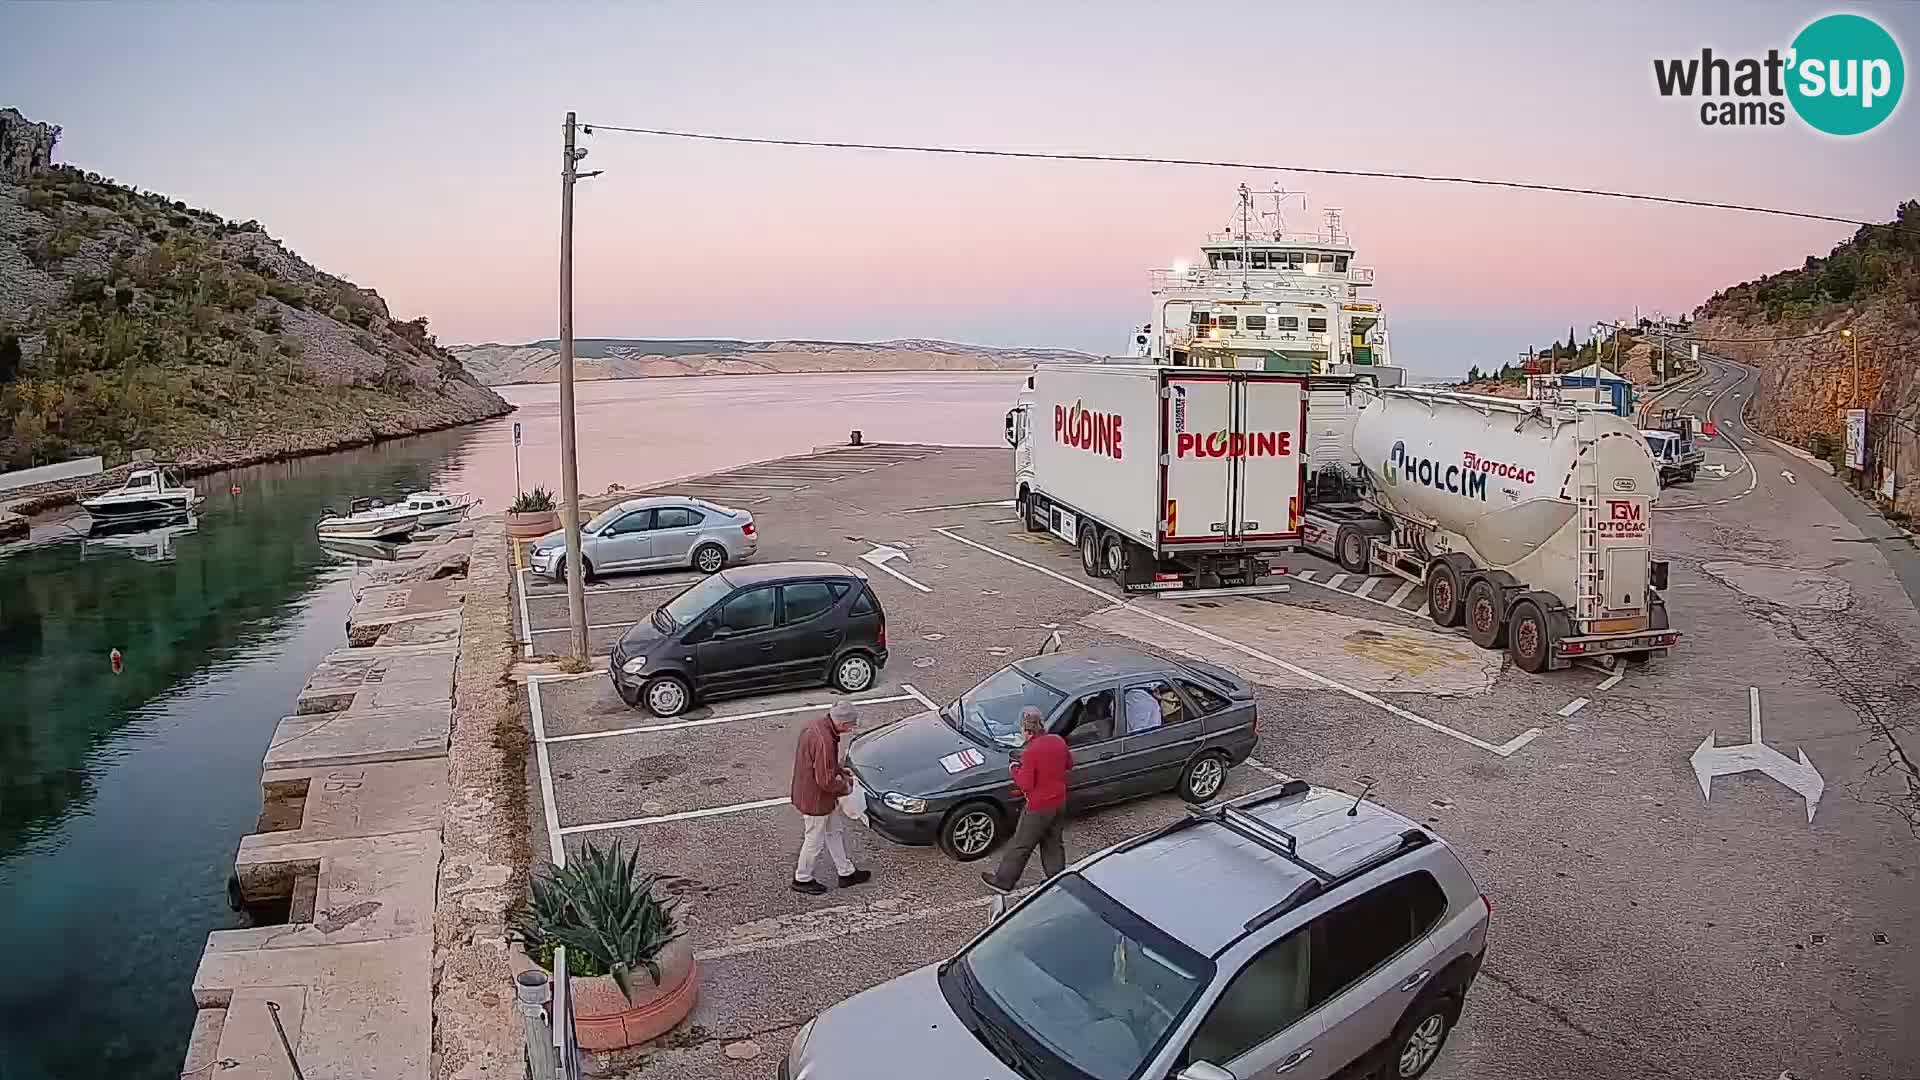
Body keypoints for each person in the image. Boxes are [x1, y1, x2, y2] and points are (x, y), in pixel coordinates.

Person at [982, 705, 1072, 891]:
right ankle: (1056, 880)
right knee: (1053, 842)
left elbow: (1026, 784)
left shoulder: (1032, 751)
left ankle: (1004, 881)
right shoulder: (1057, 740)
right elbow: (1069, 764)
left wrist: (1015, 769)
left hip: (1039, 805)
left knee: (1021, 844)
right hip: (1059, 801)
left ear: (1028, 731)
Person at [790, 701, 871, 894]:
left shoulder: (817, 727)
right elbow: (825, 780)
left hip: (810, 794)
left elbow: (822, 765)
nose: (851, 728)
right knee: (814, 840)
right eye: (851, 725)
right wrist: (846, 787)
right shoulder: (825, 740)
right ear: (843, 723)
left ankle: (846, 872)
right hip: (816, 800)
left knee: (834, 832)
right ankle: (802, 878)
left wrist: (840, 770)